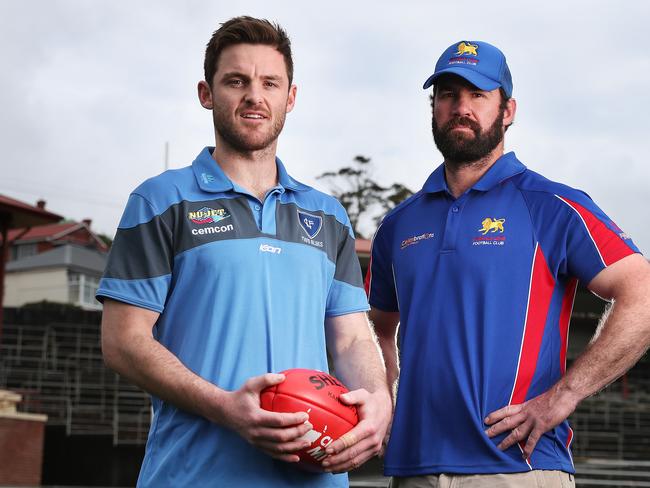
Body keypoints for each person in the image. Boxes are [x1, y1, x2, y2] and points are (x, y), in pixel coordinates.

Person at [97, 16, 391, 487]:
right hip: (194, 476)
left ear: (289, 98)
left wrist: (378, 398)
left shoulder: (328, 216)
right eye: (237, 81)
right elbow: (122, 342)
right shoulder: (159, 201)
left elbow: (352, 340)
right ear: (206, 93)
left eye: (270, 83)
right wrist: (227, 409)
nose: (255, 96)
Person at [367, 40, 650, 487]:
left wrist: (565, 395)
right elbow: (375, 328)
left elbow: (643, 293)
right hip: (413, 469)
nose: (461, 107)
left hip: (517, 469)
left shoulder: (552, 205)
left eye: (478, 95)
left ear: (508, 110)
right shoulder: (398, 226)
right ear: (433, 107)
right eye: (447, 94)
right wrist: (386, 396)